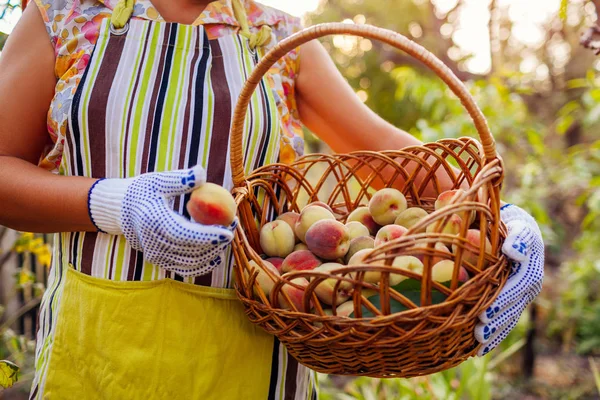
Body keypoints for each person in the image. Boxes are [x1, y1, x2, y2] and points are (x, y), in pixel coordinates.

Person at [0, 0, 544, 398]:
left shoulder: (277, 39)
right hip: (98, 362)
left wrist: (504, 217)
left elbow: (416, 171)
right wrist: (116, 204)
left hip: (253, 365)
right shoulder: (64, 18)